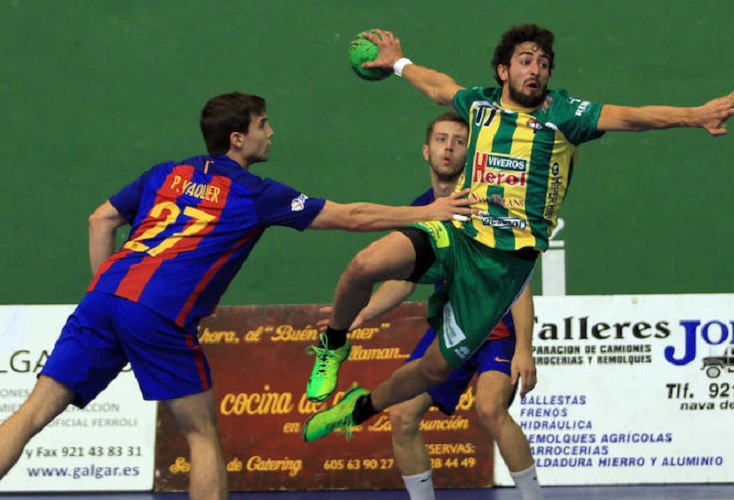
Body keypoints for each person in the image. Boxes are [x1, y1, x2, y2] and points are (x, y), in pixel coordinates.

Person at [302, 21, 734, 460]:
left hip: (502, 265)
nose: (535, 69)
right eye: (525, 60)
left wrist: (695, 115)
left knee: (435, 368)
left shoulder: (565, 115)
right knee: (364, 264)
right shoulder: (479, 104)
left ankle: (357, 408)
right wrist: (398, 62)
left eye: (544, 63)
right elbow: (439, 87)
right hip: (459, 229)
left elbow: (632, 117)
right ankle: (334, 345)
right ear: (503, 70)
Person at [0, 92, 475, 500]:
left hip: (103, 296)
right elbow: (350, 216)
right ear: (237, 139)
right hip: (159, 311)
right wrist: (427, 212)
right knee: (202, 436)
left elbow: (99, 220)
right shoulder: (252, 192)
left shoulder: (165, 172)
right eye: (263, 125)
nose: (271, 132)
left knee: (32, 413)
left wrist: (107, 293)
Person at [344, 112, 542, 500]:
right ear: (426, 150)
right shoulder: (420, 212)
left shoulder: (487, 205)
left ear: (471, 153)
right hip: (449, 329)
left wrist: (524, 348)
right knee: (401, 416)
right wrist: (365, 311)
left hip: (495, 330)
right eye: (440, 139)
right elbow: (403, 280)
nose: (448, 147)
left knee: (489, 408)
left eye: (458, 140)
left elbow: (519, 284)